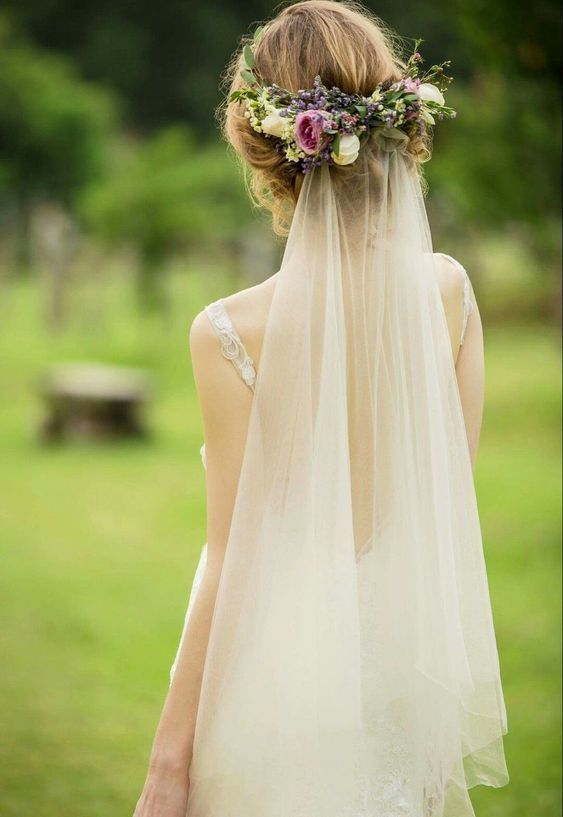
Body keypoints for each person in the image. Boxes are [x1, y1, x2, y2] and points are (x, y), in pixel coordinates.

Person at [133, 2, 508, 815]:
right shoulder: (448, 293)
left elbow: (229, 557)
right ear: (395, 125)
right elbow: (446, 506)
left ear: (264, 144)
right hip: (405, 681)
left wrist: (170, 758)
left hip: (276, 677)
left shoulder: (232, 331)